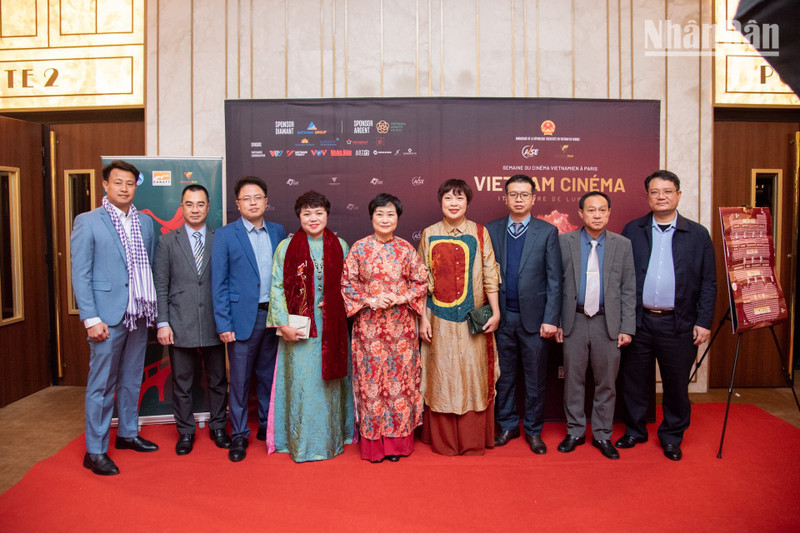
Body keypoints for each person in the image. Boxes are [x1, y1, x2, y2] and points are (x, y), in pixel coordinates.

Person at [616, 170, 716, 461]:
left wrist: (704, 321)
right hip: (639, 320)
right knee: (634, 380)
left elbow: (709, 282)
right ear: (647, 197)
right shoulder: (632, 230)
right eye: (655, 192)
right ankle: (635, 430)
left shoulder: (697, 234)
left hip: (679, 323)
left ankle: (672, 436)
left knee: (675, 384)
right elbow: (620, 277)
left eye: (667, 191)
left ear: (678, 195)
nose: (661, 196)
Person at [71, 160, 159, 476]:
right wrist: (90, 318)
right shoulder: (88, 221)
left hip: (138, 312)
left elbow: (149, 268)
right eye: (118, 182)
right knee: (101, 384)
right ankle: (94, 451)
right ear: (105, 185)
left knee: (133, 377)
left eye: (130, 183)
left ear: (137, 186)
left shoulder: (146, 224)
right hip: (105, 316)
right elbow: (80, 274)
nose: (124, 188)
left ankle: (127, 433)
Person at [266, 190, 354, 462]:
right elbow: (277, 287)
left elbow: (350, 287)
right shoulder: (286, 247)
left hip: (332, 328)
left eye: (318, 213)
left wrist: (335, 302)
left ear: (327, 215)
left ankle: (330, 441)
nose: (313, 218)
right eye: (307, 214)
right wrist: (282, 323)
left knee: (328, 384)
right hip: (299, 329)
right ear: (299, 217)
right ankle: (299, 442)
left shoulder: (340, 245)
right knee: (302, 384)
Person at [341, 193, 428, 463]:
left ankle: (397, 444)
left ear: (398, 218)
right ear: (372, 217)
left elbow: (421, 282)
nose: (385, 219)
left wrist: (402, 297)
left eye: (390, 214)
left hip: (401, 329)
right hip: (368, 329)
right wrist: (371, 299)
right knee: (370, 385)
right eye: (380, 214)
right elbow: (347, 285)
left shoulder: (406, 249)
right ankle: (373, 445)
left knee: (399, 386)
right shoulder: (359, 248)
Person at [417, 179, 501, 456]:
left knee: (472, 373)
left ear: (468, 202)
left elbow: (490, 273)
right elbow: (421, 281)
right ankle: (443, 440)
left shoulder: (479, 232)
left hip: (471, 319)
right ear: (440, 202)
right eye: (448, 199)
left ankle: (471, 438)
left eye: (459, 198)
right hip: (437, 319)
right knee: (441, 374)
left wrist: (496, 311)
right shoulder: (429, 233)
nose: (454, 204)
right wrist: (423, 319)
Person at [555, 191, 636, 460]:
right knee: (573, 380)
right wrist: (556, 322)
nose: (597, 215)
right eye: (591, 210)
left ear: (609, 213)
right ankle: (575, 431)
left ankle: (602, 434)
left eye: (602, 210)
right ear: (581, 213)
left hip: (607, 323)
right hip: (574, 321)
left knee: (606, 383)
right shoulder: (564, 242)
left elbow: (628, 289)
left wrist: (627, 327)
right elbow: (555, 286)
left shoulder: (622, 244)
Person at [211, 177, 286, 462]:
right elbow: (218, 283)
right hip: (242, 319)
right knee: (240, 381)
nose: (253, 202)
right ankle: (239, 435)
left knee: (269, 379)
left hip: (273, 317)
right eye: (247, 198)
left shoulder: (278, 231)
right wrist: (224, 324)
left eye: (258, 197)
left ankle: (268, 430)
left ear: (266, 201)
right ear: (237, 204)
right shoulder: (226, 235)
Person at [153, 184, 231, 455]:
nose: (195, 209)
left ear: (208, 207)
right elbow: (161, 285)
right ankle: (185, 431)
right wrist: (163, 322)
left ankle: (219, 426)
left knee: (218, 380)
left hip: (214, 321)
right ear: (182, 207)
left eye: (200, 204)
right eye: (189, 204)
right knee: (182, 381)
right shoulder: (166, 241)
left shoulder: (219, 238)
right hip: (179, 321)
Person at [486, 174, 561, 454]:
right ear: (505, 198)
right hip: (501, 318)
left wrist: (551, 318)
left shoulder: (547, 231)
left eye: (524, 194)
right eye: (513, 194)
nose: (518, 199)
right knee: (503, 377)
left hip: (536, 321)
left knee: (535, 379)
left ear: (533, 198)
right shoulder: (491, 230)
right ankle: (507, 425)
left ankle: (533, 430)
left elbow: (555, 280)